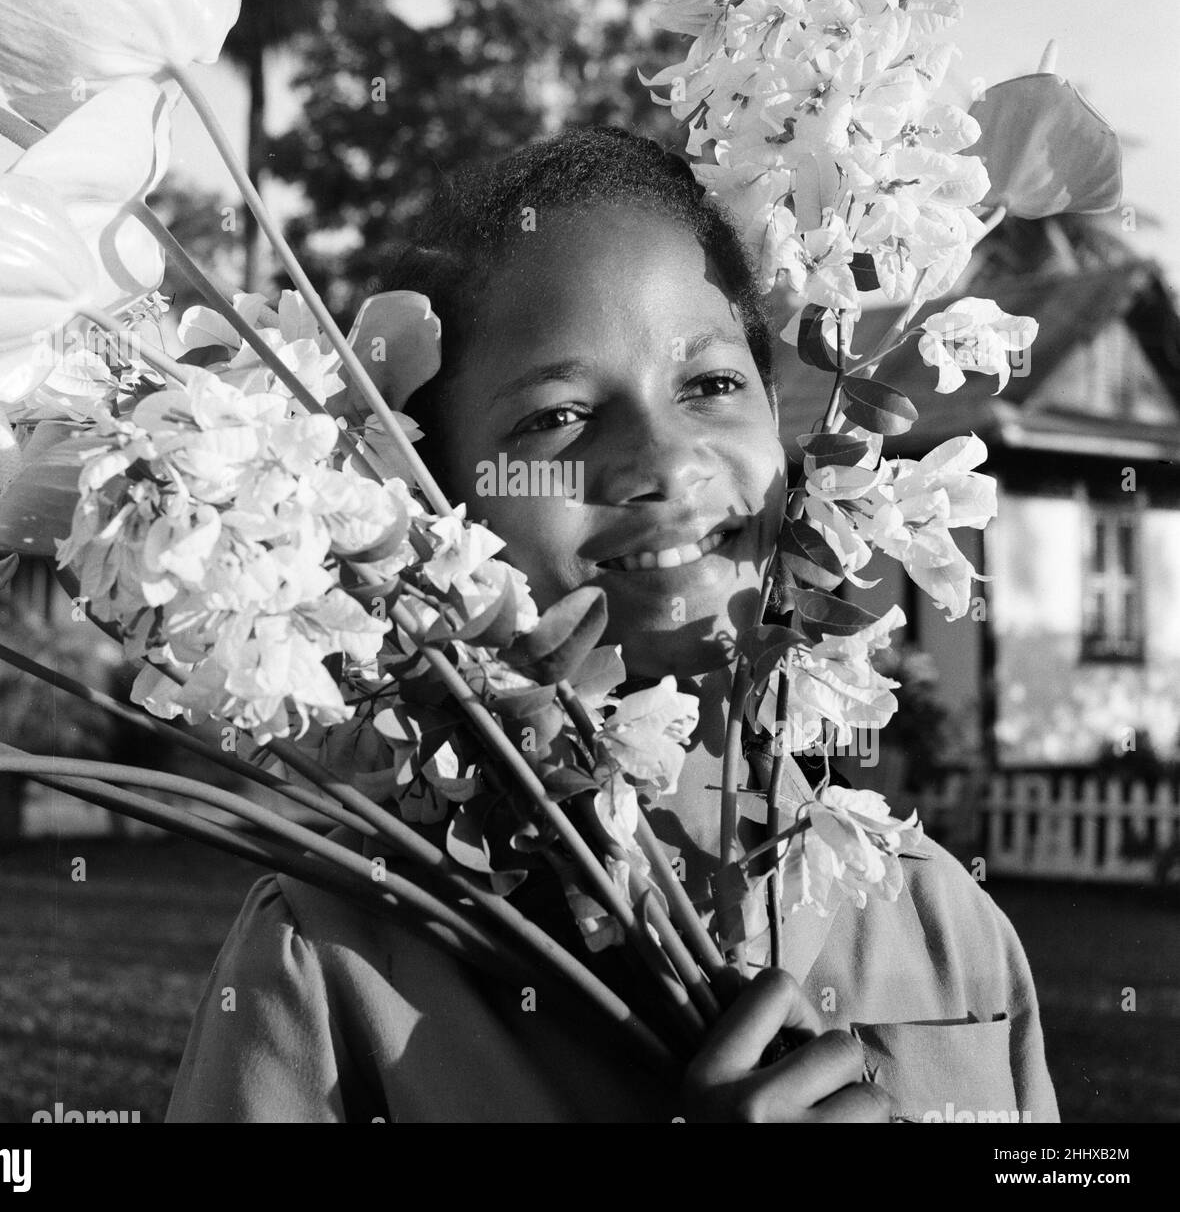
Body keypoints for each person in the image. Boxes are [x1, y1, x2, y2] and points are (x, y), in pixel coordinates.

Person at [166, 127, 1059, 1123]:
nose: (667, 465)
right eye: (557, 416)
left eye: (710, 385)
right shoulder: (329, 955)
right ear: (426, 505)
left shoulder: (943, 925)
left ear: (783, 424)